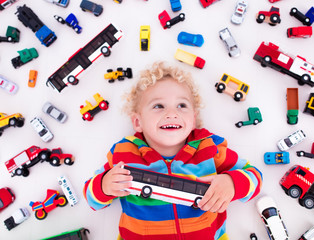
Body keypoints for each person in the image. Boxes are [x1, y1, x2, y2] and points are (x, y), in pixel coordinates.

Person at [83, 62, 263, 240]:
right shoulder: (124, 154)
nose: (171, 113)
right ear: (138, 122)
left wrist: (231, 183)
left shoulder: (208, 148)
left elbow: (255, 176)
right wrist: (104, 185)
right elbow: (91, 198)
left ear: (193, 120)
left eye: (182, 106)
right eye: (158, 106)